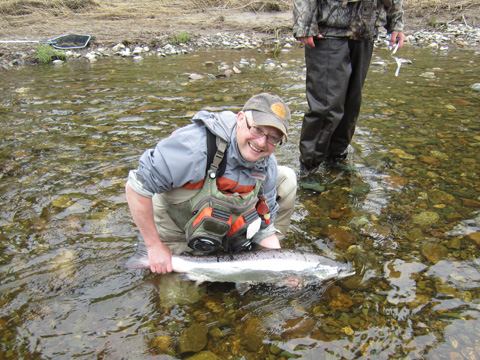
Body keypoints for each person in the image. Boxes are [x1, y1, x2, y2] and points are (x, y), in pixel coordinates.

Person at [125, 93, 297, 274]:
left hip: (224, 225)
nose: (261, 142)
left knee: (286, 178)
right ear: (240, 119)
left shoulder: (266, 164)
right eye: (257, 129)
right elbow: (136, 187)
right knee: (178, 299)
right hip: (178, 229)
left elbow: (264, 224)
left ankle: (244, 249)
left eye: (273, 138)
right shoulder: (194, 147)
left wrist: (281, 265)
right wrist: (153, 246)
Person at [293, 0, 405, 180]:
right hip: (328, 31)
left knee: (352, 103)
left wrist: (396, 22)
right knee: (326, 107)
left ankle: (336, 158)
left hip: (364, 31)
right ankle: (309, 169)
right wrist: (305, 25)